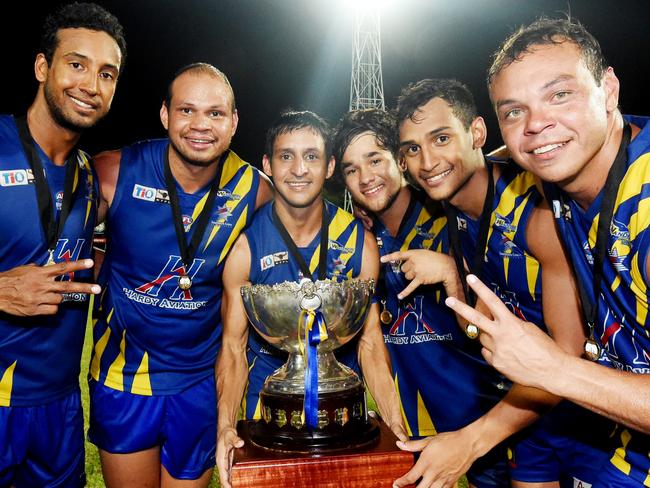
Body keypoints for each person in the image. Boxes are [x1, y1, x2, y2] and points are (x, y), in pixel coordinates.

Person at [447, 17, 650, 487]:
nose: (537, 124)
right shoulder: (556, 165)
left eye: (560, 95)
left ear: (609, 89)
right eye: (514, 111)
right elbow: (488, 158)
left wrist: (556, 369)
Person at [391, 78, 612, 488]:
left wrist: (472, 442)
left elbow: (567, 355)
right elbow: (479, 329)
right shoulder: (453, 213)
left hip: (591, 414)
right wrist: (454, 279)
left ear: (476, 132)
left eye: (441, 138)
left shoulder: (536, 209)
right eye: (412, 149)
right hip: (524, 409)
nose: (427, 160)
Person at [89, 63, 273, 487]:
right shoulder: (114, 172)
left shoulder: (256, 191)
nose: (200, 125)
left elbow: (304, 236)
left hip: (202, 383)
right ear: (165, 115)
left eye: (215, 113)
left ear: (233, 122)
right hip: (123, 379)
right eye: (187, 110)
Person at [216, 110, 406, 488]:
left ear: (330, 165)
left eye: (312, 156)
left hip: (342, 418)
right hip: (269, 418)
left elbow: (369, 342)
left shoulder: (358, 242)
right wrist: (224, 426)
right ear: (267, 164)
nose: (299, 169)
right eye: (286, 156)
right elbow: (233, 347)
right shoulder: (245, 247)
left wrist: (394, 421)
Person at [331, 108, 512, 487]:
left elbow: (501, 327)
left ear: (400, 158)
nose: (366, 178)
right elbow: (370, 340)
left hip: (488, 416)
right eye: (351, 169)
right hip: (414, 425)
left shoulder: (450, 214)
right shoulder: (359, 241)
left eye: (375, 159)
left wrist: (451, 272)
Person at [0, 3, 125, 487]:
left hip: (60, 408)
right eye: (77, 64)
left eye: (107, 74)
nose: (91, 85)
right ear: (41, 67)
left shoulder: (90, 176)